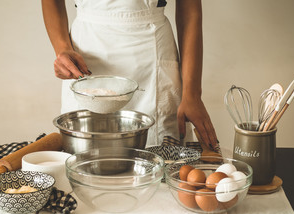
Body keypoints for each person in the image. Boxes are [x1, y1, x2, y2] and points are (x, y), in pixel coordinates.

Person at [41, 0, 218, 149]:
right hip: (86, 51)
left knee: (158, 165)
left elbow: (189, 8)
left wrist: (192, 94)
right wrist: (62, 48)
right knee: (83, 159)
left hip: (150, 53)